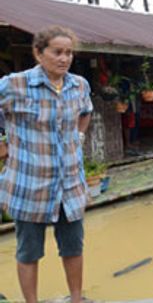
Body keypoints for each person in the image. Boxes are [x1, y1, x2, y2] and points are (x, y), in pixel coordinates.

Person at [0, 26, 93, 303]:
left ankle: (76, 299)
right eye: (57, 52)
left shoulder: (79, 85)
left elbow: (86, 111)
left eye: (69, 53)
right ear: (38, 53)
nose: (64, 58)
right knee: (29, 252)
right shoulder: (14, 84)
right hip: (30, 184)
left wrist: (78, 136)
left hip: (70, 185)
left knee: (73, 248)